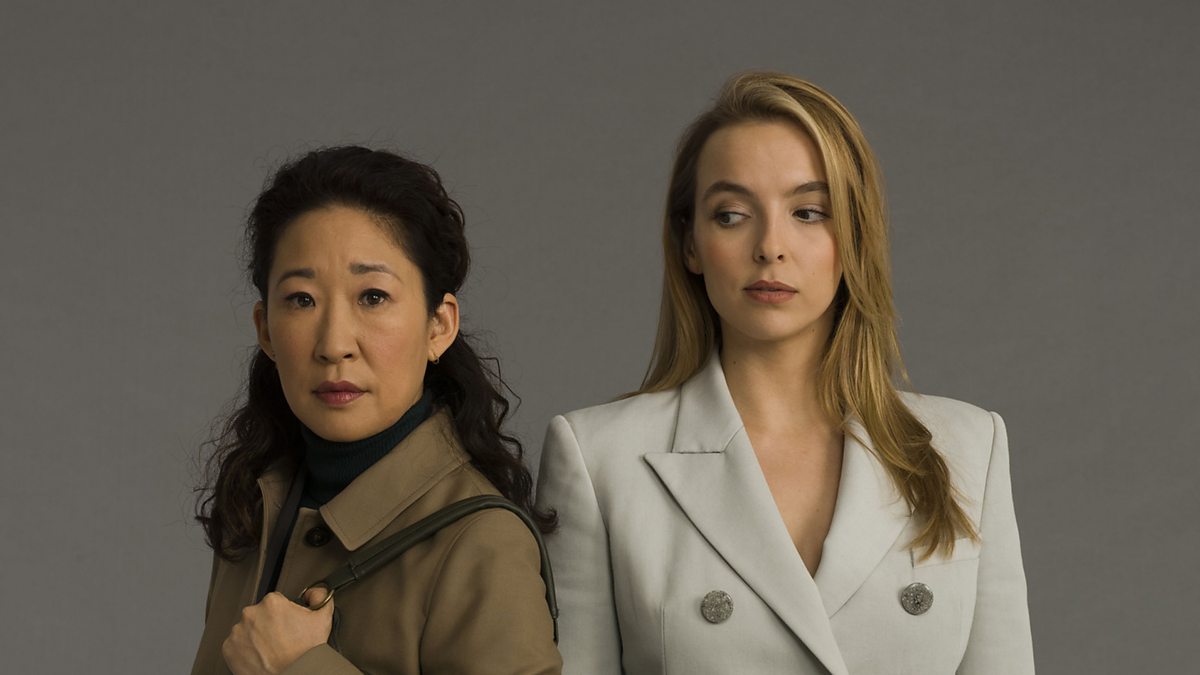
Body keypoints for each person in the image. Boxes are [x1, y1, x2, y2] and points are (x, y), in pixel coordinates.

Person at [536, 73, 1034, 674]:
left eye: (808, 212)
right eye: (731, 215)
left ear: (854, 236)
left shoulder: (967, 448)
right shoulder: (599, 460)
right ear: (690, 244)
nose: (771, 246)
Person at [192, 146, 561, 674]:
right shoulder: (255, 510)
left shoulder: (481, 542)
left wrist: (301, 666)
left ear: (439, 326)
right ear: (265, 330)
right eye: (301, 299)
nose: (334, 344)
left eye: (372, 297)